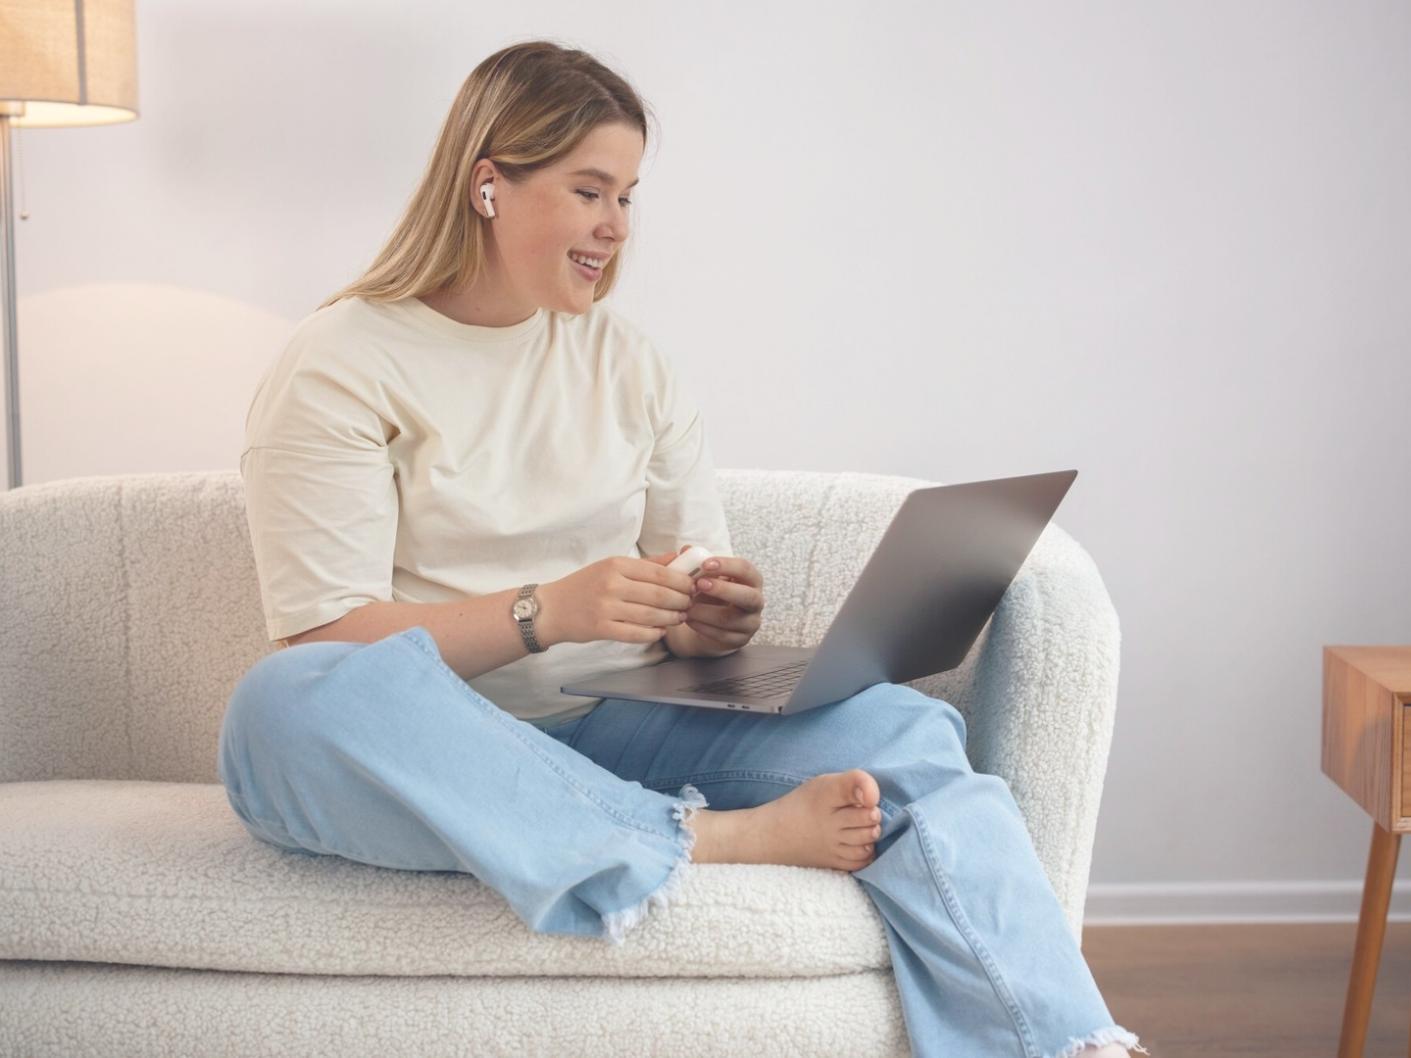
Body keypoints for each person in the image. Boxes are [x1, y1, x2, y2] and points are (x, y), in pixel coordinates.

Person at [219, 39, 1145, 1058]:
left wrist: (711, 618)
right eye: (588, 191)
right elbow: (328, 638)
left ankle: (1071, 1044)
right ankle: (707, 837)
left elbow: (686, 583)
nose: (615, 226)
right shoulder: (342, 360)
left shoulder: (632, 365)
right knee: (282, 702)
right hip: (437, 747)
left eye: (627, 196)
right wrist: (543, 613)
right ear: (488, 186)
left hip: (616, 723)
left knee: (904, 732)